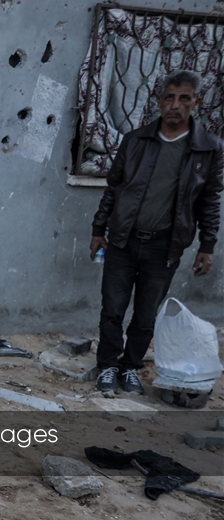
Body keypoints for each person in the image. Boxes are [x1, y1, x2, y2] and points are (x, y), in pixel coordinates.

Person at [90, 70, 222, 395]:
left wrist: (207, 245)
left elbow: (210, 199)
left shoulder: (209, 149)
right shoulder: (136, 140)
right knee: (113, 309)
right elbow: (113, 188)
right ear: (159, 100)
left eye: (184, 98)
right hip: (123, 240)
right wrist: (98, 229)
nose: (175, 105)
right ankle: (107, 365)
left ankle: (130, 367)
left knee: (146, 314)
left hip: (165, 247)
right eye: (169, 98)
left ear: (196, 103)